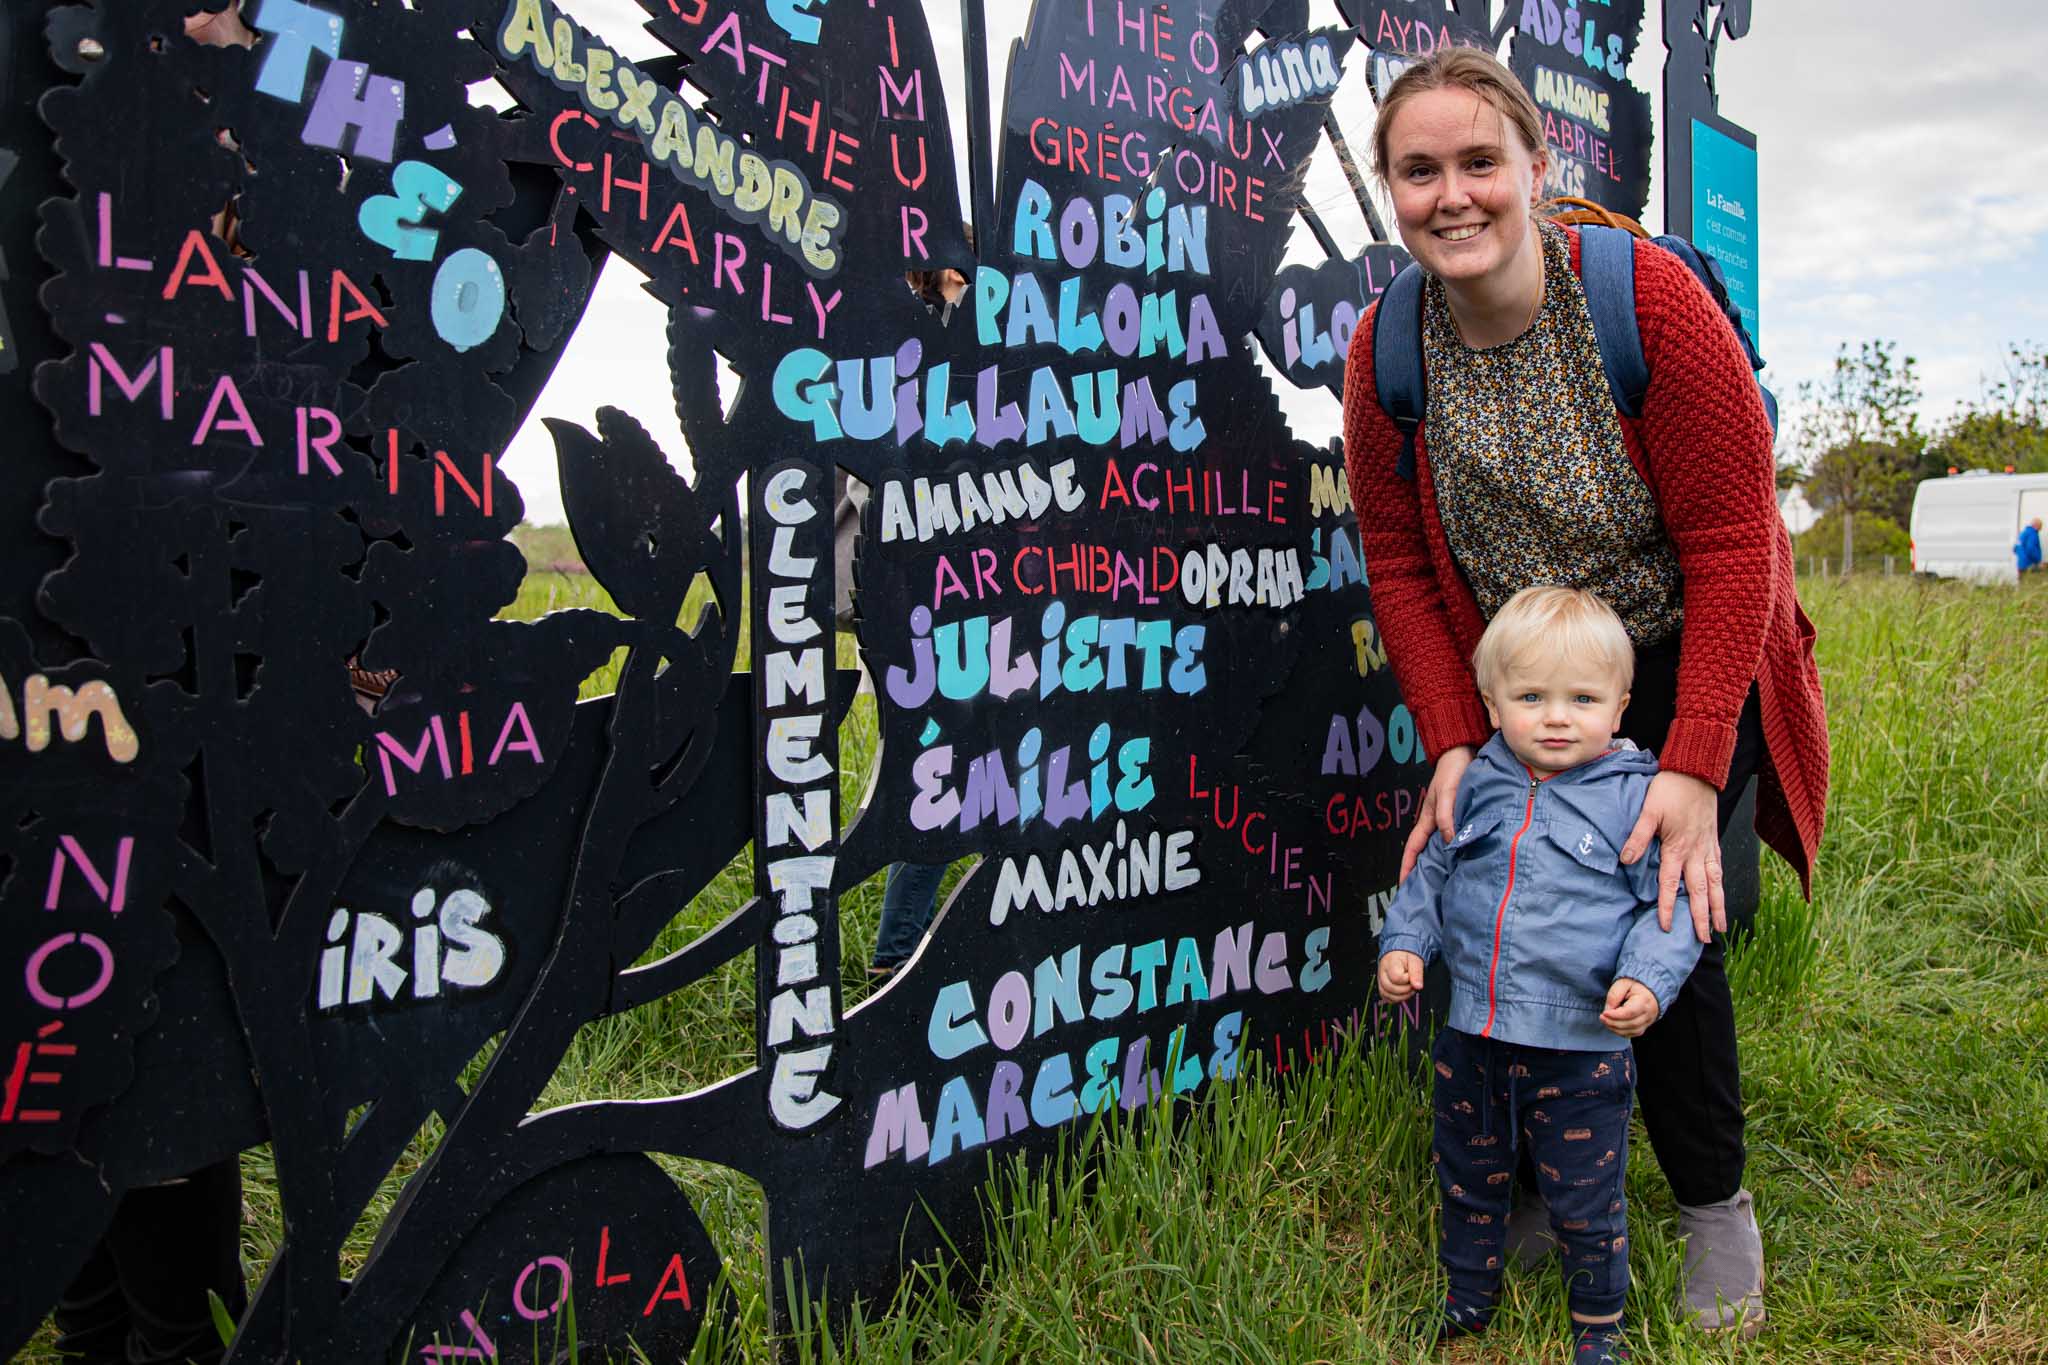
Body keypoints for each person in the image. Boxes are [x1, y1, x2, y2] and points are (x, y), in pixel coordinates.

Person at [1342, 47, 1829, 1336]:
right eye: (1418, 169)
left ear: (1532, 170)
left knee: (1664, 915)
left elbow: (1737, 547)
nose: (1452, 196)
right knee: (1508, 897)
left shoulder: (1644, 305)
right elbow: (1393, 552)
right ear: (1390, 190)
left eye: (1477, 163)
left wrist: (1685, 764)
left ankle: (1712, 1205)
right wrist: (1452, 737)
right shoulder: (1386, 344)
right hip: (1519, 672)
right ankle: (1530, 1175)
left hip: (1681, 652)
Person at [1379, 586, 1699, 1363]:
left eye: (1582, 698)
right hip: (1474, 1035)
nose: (1557, 716)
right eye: (1531, 696)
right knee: (1469, 1175)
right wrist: (1406, 941)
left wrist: (1649, 981)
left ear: (1621, 706)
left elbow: (1674, 903)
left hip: (1581, 1046)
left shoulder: (1634, 799)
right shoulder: (1477, 781)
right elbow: (1432, 872)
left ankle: (1599, 1323)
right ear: (1490, 702)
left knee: (1585, 1196)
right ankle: (1468, 1294)